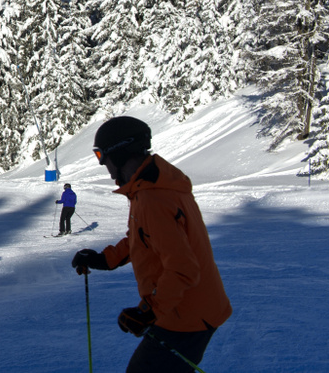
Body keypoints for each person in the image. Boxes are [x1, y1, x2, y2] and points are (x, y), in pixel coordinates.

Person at [72, 116, 232, 373]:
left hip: (185, 315)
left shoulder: (153, 198)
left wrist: (148, 311)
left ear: (120, 153)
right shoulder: (152, 185)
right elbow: (144, 238)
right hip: (189, 309)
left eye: (103, 157)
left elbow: (183, 268)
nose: (105, 167)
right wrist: (106, 259)